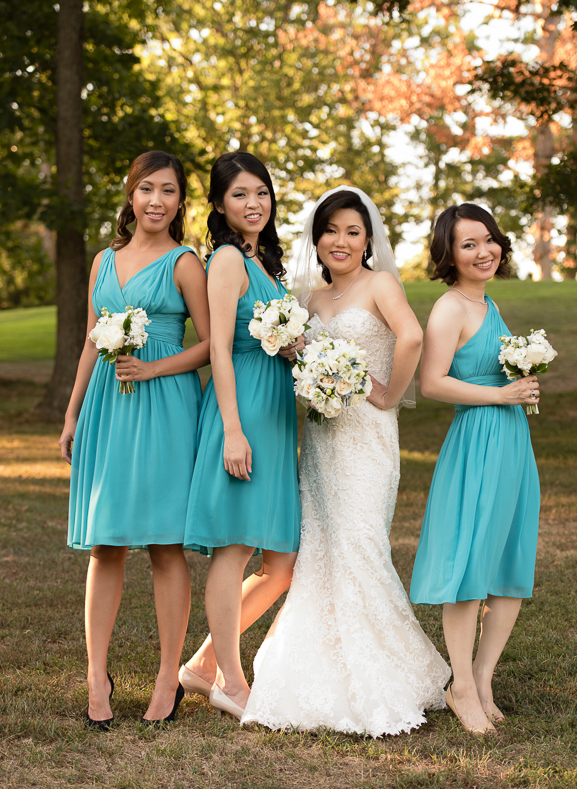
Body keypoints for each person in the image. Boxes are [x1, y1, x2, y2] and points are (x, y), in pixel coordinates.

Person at [241, 186, 450, 738]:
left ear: (367, 239)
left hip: (367, 441)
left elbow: (411, 335)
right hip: (322, 440)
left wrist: (386, 393)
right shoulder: (310, 298)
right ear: (318, 237)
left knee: (361, 547)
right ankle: (319, 671)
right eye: (330, 230)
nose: (340, 240)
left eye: (352, 231)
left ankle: (383, 678)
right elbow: (303, 364)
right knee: (323, 552)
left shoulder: (380, 283)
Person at [60, 150, 210, 728]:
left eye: (168, 191)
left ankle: (168, 676)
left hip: (167, 406)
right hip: (108, 405)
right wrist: (73, 414)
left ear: (179, 202)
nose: (155, 201)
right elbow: (93, 343)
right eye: (146, 189)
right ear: (131, 195)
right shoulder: (103, 261)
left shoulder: (184, 263)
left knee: (166, 546)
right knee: (107, 544)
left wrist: (155, 368)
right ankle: (97, 675)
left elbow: (208, 345)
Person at [409, 203, 540, 735]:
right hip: (478, 442)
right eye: (468, 244)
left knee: (507, 565)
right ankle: (459, 682)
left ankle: (483, 677)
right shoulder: (450, 308)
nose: (483, 251)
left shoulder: (489, 302)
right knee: (468, 566)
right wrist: (501, 393)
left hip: (512, 441)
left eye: (488, 240)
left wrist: (521, 386)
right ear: (449, 254)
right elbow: (431, 383)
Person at [181, 152, 300, 719]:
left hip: (275, 413)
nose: (254, 204)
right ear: (220, 205)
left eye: (262, 193)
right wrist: (231, 429)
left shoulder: (268, 265)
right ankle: (231, 677)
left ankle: (202, 665)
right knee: (234, 547)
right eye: (240, 195)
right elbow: (220, 350)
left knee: (281, 563)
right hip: (242, 409)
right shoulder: (227, 260)